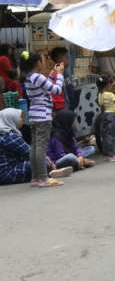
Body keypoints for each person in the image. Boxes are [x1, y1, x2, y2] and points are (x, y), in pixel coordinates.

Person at [21, 50, 68, 187]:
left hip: (34, 116)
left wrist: (54, 74)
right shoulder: (38, 77)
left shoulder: (30, 77)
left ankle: (36, 178)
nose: (44, 63)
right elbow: (56, 90)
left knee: (35, 146)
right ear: (37, 63)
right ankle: (43, 178)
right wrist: (59, 75)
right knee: (41, 147)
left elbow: (46, 86)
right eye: (42, 60)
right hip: (43, 116)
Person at [1, 108, 69, 185]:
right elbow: (29, 152)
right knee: (42, 164)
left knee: (42, 162)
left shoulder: (4, 134)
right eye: (20, 117)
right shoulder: (9, 136)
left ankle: (54, 169)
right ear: (11, 119)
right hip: (7, 173)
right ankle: (51, 173)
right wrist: (47, 161)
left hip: (6, 171)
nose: (22, 120)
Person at [96, 76, 115, 160]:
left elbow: (107, 102)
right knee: (112, 135)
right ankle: (112, 155)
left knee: (106, 134)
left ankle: (107, 153)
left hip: (106, 114)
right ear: (106, 85)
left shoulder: (100, 94)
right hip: (112, 116)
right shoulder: (109, 94)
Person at [48, 47, 70, 115]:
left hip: (63, 105)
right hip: (61, 107)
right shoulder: (57, 73)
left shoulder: (63, 71)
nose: (68, 60)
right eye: (66, 57)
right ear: (59, 59)